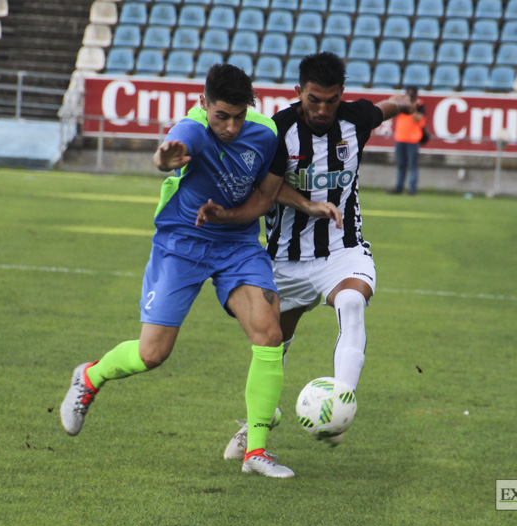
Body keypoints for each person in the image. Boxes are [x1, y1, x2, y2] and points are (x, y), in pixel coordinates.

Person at [60, 63, 339, 479]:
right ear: (202, 104)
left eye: (238, 116)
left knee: (269, 331)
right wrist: (163, 159)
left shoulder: (264, 134)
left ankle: (256, 451)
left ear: (250, 108)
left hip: (237, 244)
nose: (229, 127)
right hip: (182, 243)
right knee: (152, 353)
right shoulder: (191, 130)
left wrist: (308, 204)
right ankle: (90, 376)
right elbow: (166, 153)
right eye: (220, 116)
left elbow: (268, 187)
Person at [218, 52, 416, 459]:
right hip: (284, 259)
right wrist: (308, 204)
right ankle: (260, 419)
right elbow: (267, 192)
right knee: (274, 346)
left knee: (351, 301)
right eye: (313, 100)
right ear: (298, 93)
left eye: (331, 100)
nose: (322, 110)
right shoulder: (277, 129)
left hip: (341, 250)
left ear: (341, 95)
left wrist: (403, 102)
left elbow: (384, 109)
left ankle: (340, 406)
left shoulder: (355, 119)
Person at [391, 86, 428, 195]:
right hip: (400, 138)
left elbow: (419, 118)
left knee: (412, 165)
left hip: (413, 139)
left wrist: (411, 108)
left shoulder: (420, 104)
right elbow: (394, 113)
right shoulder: (401, 104)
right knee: (401, 165)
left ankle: (412, 189)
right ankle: (399, 187)